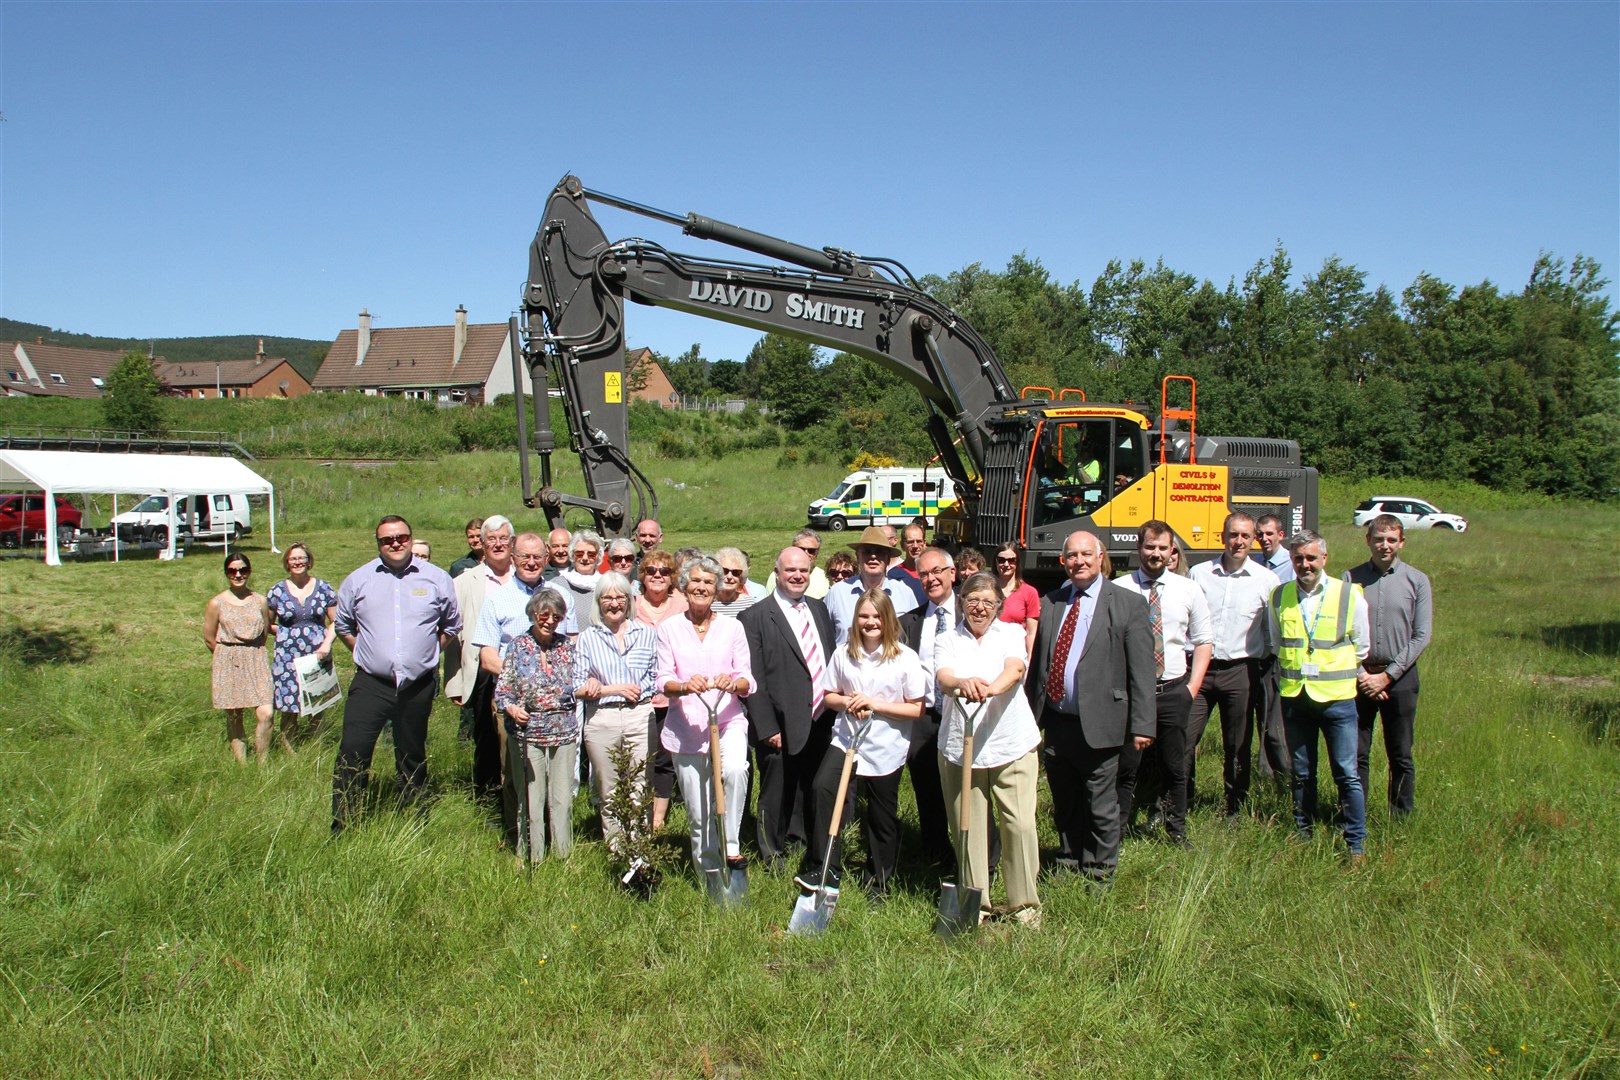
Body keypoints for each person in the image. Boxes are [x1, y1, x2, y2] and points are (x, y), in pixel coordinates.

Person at [1028, 530, 1156, 884]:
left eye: (1086, 554)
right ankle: (1069, 862)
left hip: (1102, 723)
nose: (1079, 562)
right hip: (1057, 722)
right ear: (1062, 562)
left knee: (1101, 805)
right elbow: (1041, 662)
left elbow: (1142, 670)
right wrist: (1029, 717)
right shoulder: (1052, 601)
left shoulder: (1128, 604)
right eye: (1072, 556)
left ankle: (1100, 872)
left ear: (1101, 558)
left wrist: (1143, 725)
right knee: (1065, 802)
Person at [331, 516, 461, 835]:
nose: (395, 543)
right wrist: (363, 652)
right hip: (371, 684)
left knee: (411, 752)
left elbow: (452, 624)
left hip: (417, 685)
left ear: (410, 538)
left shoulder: (436, 579)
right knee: (353, 750)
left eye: (401, 537)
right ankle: (345, 823)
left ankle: (415, 817)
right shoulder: (359, 580)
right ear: (377, 544)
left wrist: (428, 654)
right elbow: (343, 626)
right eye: (387, 539)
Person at [798, 590, 925, 900]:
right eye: (864, 616)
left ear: (888, 619)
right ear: (856, 620)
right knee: (822, 788)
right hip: (847, 739)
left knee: (881, 814)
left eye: (876, 616)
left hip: (886, 744)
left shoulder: (905, 657)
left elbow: (915, 708)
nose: (870, 622)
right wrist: (848, 701)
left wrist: (875, 704)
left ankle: (879, 879)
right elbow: (829, 696)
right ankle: (825, 864)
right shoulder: (844, 653)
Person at [936, 572, 1042, 926]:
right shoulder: (947, 638)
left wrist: (991, 689)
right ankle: (974, 904)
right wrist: (962, 684)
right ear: (961, 603)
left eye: (987, 602)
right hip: (959, 745)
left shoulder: (1011, 633)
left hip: (1010, 742)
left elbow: (1015, 669)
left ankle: (1024, 905)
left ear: (998, 606)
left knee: (1020, 825)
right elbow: (943, 677)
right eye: (972, 600)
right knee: (968, 827)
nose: (979, 608)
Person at [1269, 530, 1370, 863]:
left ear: (1324, 559)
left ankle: (1355, 843)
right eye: (1298, 558)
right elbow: (1276, 642)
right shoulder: (1279, 595)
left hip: (1338, 699)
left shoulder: (1349, 594)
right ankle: (1302, 833)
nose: (1305, 564)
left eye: (1311, 557)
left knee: (1346, 772)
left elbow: (1362, 645)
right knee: (1301, 771)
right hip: (1296, 697)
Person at [1111, 522, 1212, 848]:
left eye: (1162, 548)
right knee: (1126, 768)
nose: (1156, 554)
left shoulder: (1188, 588)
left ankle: (1176, 830)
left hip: (1173, 692)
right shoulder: (1119, 588)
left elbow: (1204, 641)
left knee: (1175, 767)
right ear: (1139, 548)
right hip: (1132, 695)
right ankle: (1118, 830)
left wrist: (1191, 689)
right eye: (1149, 547)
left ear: (1172, 551)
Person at [473, 532, 575, 844]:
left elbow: (570, 645)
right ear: (513, 559)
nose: (531, 563)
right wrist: (525, 675)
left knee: (555, 780)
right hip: (514, 702)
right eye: (524, 557)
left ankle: (555, 841)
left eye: (536, 557)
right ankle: (519, 837)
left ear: (547, 558)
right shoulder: (498, 599)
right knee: (515, 774)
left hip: (556, 712)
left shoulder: (560, 594)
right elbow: (487, 655)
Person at [655, 556, 753, 881]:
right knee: (698, 813)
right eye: (695, 581)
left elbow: (747, 679)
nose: (701, 587)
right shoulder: (669, 628)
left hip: (727, 718)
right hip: (686, 727)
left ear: (717, 588)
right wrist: (683, 686)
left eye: (708, 583)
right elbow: (662, 679)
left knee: (737, 770)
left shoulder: (732, 627)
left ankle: (731, 842)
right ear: (684, 586)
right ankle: (710, 875)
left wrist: (733, 682)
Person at [740, 545, 836, 870]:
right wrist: (766, 726)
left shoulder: (819, 610)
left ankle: (800, 841)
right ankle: (771, 851)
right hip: (778, 722)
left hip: (821, 718)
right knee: (776, 791)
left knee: (808, 786)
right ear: (777, 574)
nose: (797, 576)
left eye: (803, 571)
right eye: (790, 570)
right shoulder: (754, 617)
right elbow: (752, 678)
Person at [1186, 513, 1281, 823]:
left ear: (1253, 539)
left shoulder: (1266, 580)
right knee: (1184, 738)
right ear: (1222, 536)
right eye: (1233, 535)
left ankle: (1234, 807)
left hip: (1241, 670)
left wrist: (1260, 659)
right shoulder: (1200, 574)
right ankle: (1179, 801)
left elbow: (1272, 630)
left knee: (1237, 743)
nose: (1238, 541)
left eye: (1245, 536)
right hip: (1200, 669)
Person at [1347, 514, 1431, 820]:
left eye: (1391, 540)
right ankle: (1355, 814)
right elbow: (1342, 632)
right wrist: (1364, 676)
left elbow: (1421, 635)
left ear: (1402, 543)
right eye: (1379, 539)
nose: (1385, 545)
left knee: (1401, 753)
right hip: (1359, 676)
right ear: (1368, 540)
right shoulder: (1349, 579)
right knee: (1356, 754)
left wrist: (1388, 676)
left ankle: (1400, 817)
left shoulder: (1417, 580)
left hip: (1401, 677)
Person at [494, 588, 579, 863]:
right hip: (528, 731)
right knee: (531, 798)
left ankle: (563, 856)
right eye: (545, 614)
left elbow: (576, 685)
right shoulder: (518, 646)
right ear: (533, 613)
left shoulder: (566, 646)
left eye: (557, 616)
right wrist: (512, 707)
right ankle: (531, 856)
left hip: (563, 730)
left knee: (562, 799)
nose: (550, 620)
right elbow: (503, 689)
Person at [574, 572, 658, 841]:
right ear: (599, 602)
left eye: (619, 597)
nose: (614, 603)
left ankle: (641, 851)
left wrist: (607, 685)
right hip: (602, 718)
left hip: (640, 715)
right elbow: (576, 686)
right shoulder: (588, 638)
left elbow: (656, 676)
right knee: (608, 789)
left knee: (641, 786)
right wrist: (612, 688)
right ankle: (618, 849)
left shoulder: (646, 633)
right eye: (607, 597)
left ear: (628, 601)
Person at [896, 546, 961, 869]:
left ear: (953, 573)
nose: (931, 579)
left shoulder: (973, 612)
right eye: (924, 574)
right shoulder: (909, 622)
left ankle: (977, 854)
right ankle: (936, 852)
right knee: (927, 787)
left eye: (937, 571)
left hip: (964, 714)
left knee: (967, 788)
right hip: (924, 717)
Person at [444, 515, 514, 804]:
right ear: (481, 544)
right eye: (491, 540)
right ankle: (488, 800)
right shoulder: (464, 582)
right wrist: (455, 681)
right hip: (482, 671)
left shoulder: (524, 576)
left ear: (512, 544)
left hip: (519, 670)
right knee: (484, 736)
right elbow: (452, 634)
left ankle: (516, 795)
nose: (497, 545)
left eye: (503, 539)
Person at [204, 552, 275, 763]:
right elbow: (209, 638)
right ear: (226, 573)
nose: (238, 574)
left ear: (249, 571)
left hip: (256, 658)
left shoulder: (260, 600)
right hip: (228, 660)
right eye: (232, 571)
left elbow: (263, 633)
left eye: (242, 570)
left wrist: (251, 653)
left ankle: (263, 765)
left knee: (267, 713)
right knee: (235, 716)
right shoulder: (216, 603)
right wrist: (227, 659)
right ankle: (242, 766)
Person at [265, 542, 338, 748]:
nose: (297, 562)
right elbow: (267, 623)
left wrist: (326, 644)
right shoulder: (277, 591)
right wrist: (284, 633)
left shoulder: (324, 588)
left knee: (317, 704)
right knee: (289, 706)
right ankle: (290, 751)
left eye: (301, 558)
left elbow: (336, 621)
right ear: (287, 563)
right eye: (293, 559)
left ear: (309, 561)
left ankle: (316, 749)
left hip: (318, 654)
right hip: (287, 657)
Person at [635, 549, 687, 831]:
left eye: (664, 572)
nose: (657, 576)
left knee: (664, 759)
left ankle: (657, 820)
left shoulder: (681, 605)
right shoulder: (631, 604)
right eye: (651, 571)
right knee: (639, 757)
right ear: (642, 575)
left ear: (672, 578)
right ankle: (635, 812)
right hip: (639, 696)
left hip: (670, 696)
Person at [825, 527, 919, 644]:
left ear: (888, 559)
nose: (873, 556)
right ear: (858, 557)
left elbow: (914, 636)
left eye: (880, 552)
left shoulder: (904, 593)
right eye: (867, 551)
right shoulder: (838, 593)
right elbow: (823, 636)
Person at [992, 540, 1040, 658]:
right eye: (1002, 560)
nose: (1006, 564)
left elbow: (1031, 633)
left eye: (1011, 560)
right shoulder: (988, 590)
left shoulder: (1029, 592)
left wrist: (1030, 660)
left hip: (1016, 654)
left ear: (1017, 563)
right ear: (995, 562)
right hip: (990, 651)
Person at [764, 529, 831, 600]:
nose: (806, 553)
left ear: (817, 553)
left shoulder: (825, 578)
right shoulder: (777, 576)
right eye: (801, 549)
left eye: (811, 551)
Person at [557, 530, 604, 629]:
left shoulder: (607, 584)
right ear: (572, 555)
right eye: (579, 553)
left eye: (591, 554)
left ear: (598, 556)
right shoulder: (558, 585)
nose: (585, 558)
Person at [712, 547, 764, 618]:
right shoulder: (707, 602)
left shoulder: (749, 605)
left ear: (741, 576)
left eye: (736, 572)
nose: (729, 577)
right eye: (725, 571)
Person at [1256, 514, 1295, 582]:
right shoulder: (1255, 562)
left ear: (1280, 535)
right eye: (1260, 534)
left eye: (1269, 534)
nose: (1264, 538)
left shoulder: (1292, 563)